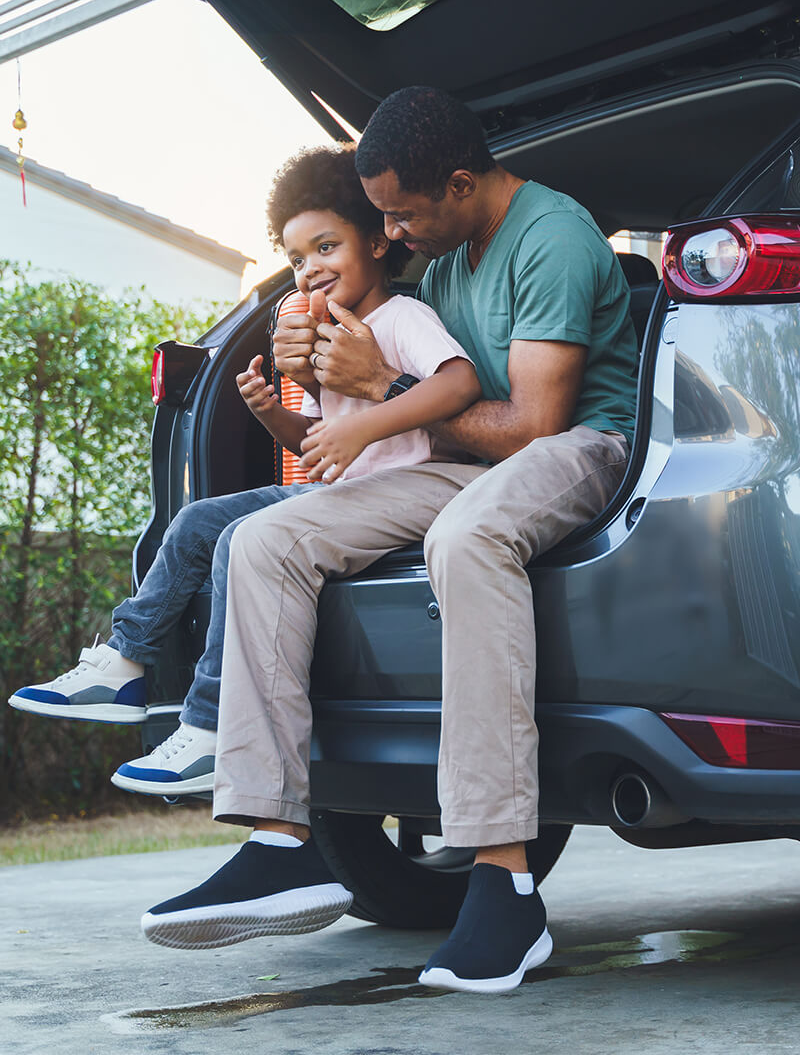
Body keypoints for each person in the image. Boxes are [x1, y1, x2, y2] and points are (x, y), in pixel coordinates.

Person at [140, 87, 639, 995]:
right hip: (461, 455)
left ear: (458, 184)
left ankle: (504, 881)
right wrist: (317, 367)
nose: (395, 236)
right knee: (262, 540)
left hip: (576, 446)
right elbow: (420, 403)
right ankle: (281, 838)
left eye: (403, 215)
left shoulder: (553, 238)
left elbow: (534, 424)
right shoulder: (443, 264)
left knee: (467, 537)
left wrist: (382, 385)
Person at [6, 144, 480, 798]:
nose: (309, 270)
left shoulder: (401, 317)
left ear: (375, 241)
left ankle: (208, 725)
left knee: (238, 540)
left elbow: (458, 385)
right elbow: (317, 441)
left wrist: (369, 417)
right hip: (338, 494)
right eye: (295, 259)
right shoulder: (323, 339)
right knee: (200, 519)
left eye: (325, 246)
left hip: (398, 493)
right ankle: (124, 662)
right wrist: (268, 414)